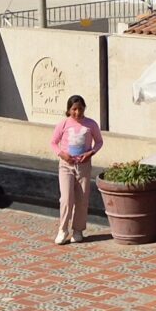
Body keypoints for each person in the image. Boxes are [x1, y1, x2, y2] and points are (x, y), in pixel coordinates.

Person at [49, 94, 104, 244]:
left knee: (82, 199)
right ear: (69, 110)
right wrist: (62, 154)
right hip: (66, 166)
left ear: (84, 108)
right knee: (66, 199)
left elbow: (99, 142)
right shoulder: (64, 124)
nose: (77, 112)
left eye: (80, 109)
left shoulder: (91, 124)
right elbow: (53, 143)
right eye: (74, 109)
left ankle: (78, 230)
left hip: (84, 166)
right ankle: (63, 229)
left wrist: (90, 153)